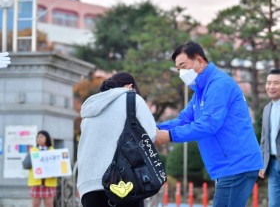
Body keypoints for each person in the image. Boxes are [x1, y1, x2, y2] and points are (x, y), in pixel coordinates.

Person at [155, 41, 264, 207]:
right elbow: (183, 120)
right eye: (178, 69)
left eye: (183, 66)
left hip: (236, 164)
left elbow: (209, 124)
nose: (181, 73)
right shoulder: (200, 91)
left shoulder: (219, 84)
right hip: (227, 166)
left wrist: (169, 136)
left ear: (199, 61)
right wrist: (155, 128)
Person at [77, 72, 156, 207]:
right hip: (123, 182)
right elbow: (150, 135)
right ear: (130, 87)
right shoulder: (132, 99)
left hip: (88, 185)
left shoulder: (90, 107)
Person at [259, 69, 280, 207]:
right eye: (268, 83)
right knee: (273, 204)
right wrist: (261, 163)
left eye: (276, 83)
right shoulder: (267, 108)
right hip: (272, 164)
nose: (271, 87)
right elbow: (264, 140)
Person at [27, 130, 57, 207]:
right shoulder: (33, 151)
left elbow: (58, 167)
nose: (39, 139)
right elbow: (26, 165)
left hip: (49, 183)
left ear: (47, 138)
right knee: (35, 204)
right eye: (38, 137)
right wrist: (31, 158)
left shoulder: (53, 151)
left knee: (49, 204)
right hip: (36, 183)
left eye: (41, 137)